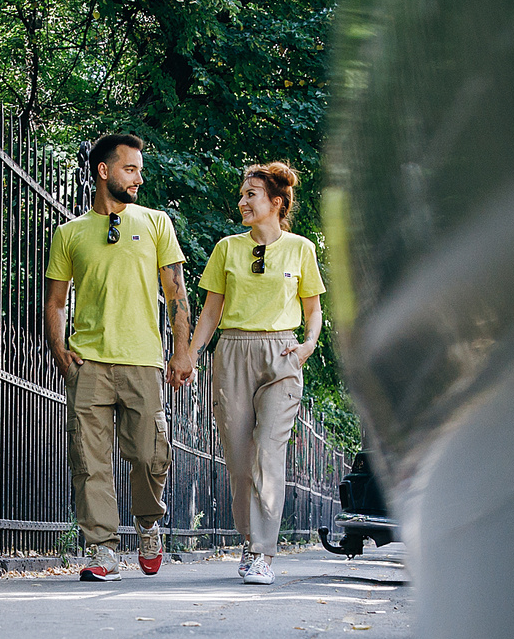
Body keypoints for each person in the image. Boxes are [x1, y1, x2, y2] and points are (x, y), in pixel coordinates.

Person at [171, 162, 325, 585]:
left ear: (276, 202)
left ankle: (263, 552)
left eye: (251, 194)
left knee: (269, 455)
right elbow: (211, 311)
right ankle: (249, 537)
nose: (242, 201)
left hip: (283, 351)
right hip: (233, 351)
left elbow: (313, 310)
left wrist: (308, 345)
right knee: (240, 460)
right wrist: (189, 355)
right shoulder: (227, 248)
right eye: (242, 195)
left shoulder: (301, 249)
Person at [47, 132, 186, 581]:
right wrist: (59, 348)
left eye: (140, 170)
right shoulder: (69, 233)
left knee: (148, 455)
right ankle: (102, 548)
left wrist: (181, 350)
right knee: (90, 461)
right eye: (130, 169)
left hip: (143, 360)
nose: (138, 178)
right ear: (104, 171)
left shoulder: (156, 223)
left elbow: (176, 292)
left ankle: (148, 524)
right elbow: (55, 301)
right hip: (88, 362)